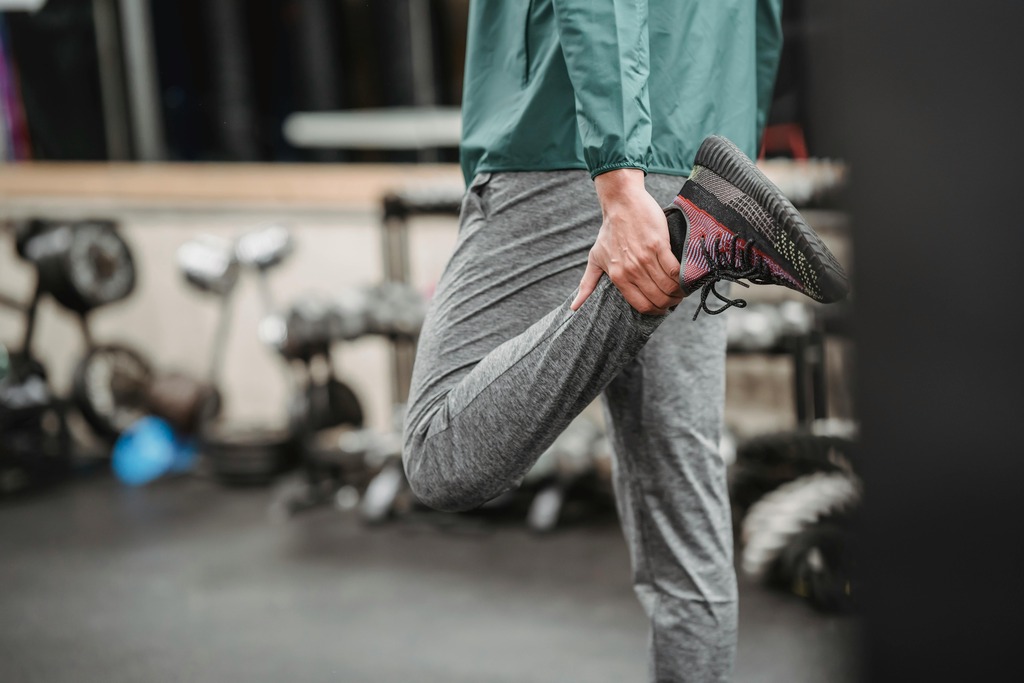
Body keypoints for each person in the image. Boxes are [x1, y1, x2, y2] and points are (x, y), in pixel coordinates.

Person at [402, 1, 848, 681]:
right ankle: (702, 237)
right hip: (705, 162)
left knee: (440, 454)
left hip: (567, 140)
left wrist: (618, 175)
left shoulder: (604, 164)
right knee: (684, 526)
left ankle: (687, 244)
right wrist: (726, 134)